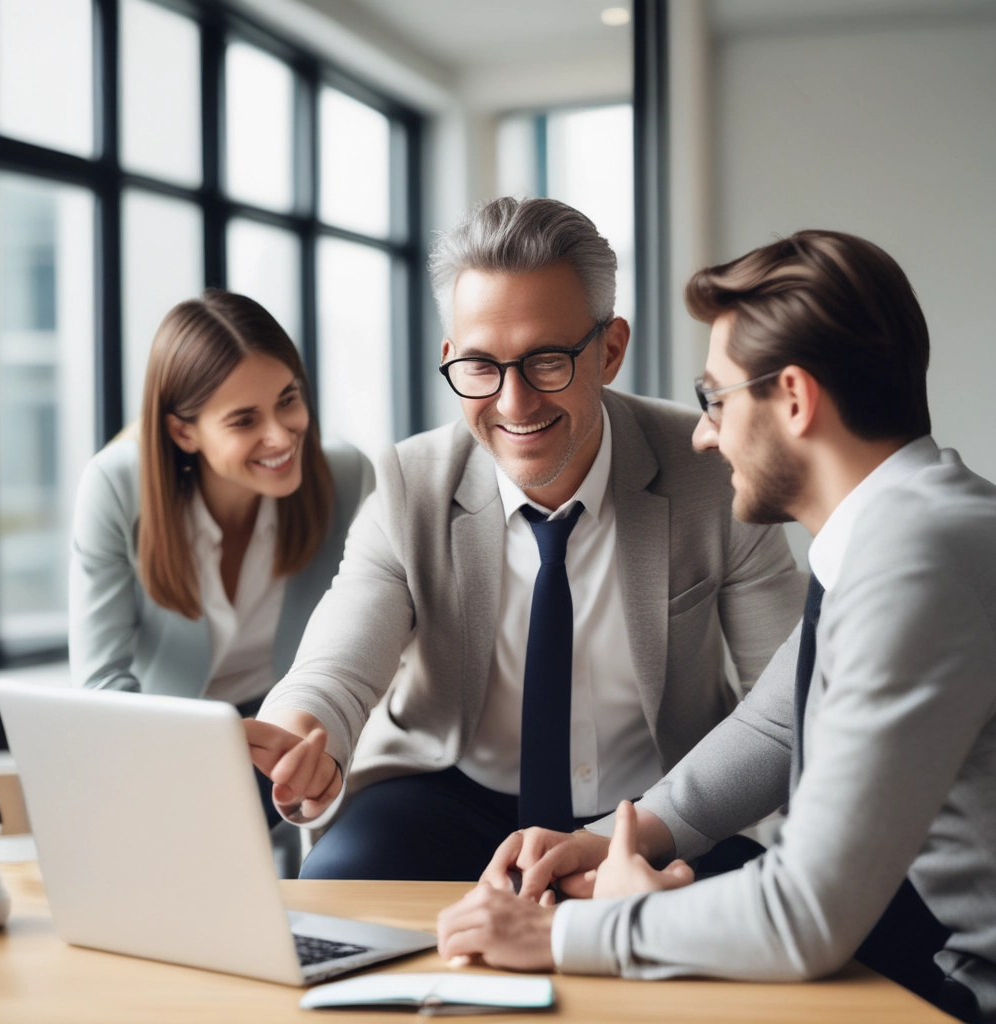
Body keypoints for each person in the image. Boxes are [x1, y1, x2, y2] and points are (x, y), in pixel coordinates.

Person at [437, 230, 996, 1024]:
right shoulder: (911, 524)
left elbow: (804, 916)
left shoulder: (917, 562)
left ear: (795, 400)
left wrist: (575, 932)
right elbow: (777, 723)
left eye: (716, 400)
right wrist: (625, 834)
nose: (704, 434)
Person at [244, 197, 804, 881]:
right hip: (449, 796)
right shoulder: (406, 483)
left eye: (545, 361)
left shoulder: (710, 473)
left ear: (610, 350)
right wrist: (305, 736)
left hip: (656, 804)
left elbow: (789, 697)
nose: (514, 405)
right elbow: (337, 666)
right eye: (481, 366)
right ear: (451, 358)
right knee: (337, 882)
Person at [69, 289, 373, 829]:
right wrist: (206, 741)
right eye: (244, 420)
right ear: (184, 431)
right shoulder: (115, 486)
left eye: (288, 399)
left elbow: (367, 641)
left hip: (296, 732)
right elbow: (99, 688)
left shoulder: (345, 479)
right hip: (163, 746)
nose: (281, 435)